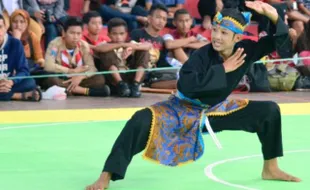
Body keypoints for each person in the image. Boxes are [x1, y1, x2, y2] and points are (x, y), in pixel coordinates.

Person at [86, 1, 301, 190]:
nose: (216, 36)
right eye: (215, 30)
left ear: (237, 37)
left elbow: (279, 44)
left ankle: (271, 168)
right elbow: (187, 84)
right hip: (182, 108)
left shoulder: (244, 50)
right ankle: (107, 175)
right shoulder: (202, 55)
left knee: (269, 110)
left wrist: (273, 16)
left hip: (216, 109)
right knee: (140, 120)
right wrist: (222, 69)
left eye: (224, 33)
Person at [43, 16, 110, 97]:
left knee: (100, 78)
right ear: (63, 33)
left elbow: (92, 68)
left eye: (78, 34)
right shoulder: (55, 44)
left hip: (78, 79)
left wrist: (81, 77)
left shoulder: (83, 45)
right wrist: (71, 71)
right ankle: (84, 91)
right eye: (72, 33)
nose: (75, 37)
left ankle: (69, 91)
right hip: (63, 77)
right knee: (51, 79)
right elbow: (48, 66)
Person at [94, 18, 151, 97]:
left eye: (121, 34)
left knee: (143, 51)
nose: (118, 37)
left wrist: (133, 48)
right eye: (114, 34)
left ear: (126, 34)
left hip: (130, 77)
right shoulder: (105, 44)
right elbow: (98, 48)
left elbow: (148, 46)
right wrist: (121, 45)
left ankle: (136, 84)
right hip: (113, 79)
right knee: (106, 51)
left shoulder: (130, 44)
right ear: (108, 34)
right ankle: (121, 84)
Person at [0, 14, 41, 101]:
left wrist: (11, 81)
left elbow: (23, 70)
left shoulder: (15, 43)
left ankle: (6, 94)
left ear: (5, 28)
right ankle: (18, 96)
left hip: (9, 83)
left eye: (0, 27)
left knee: (30, 82)